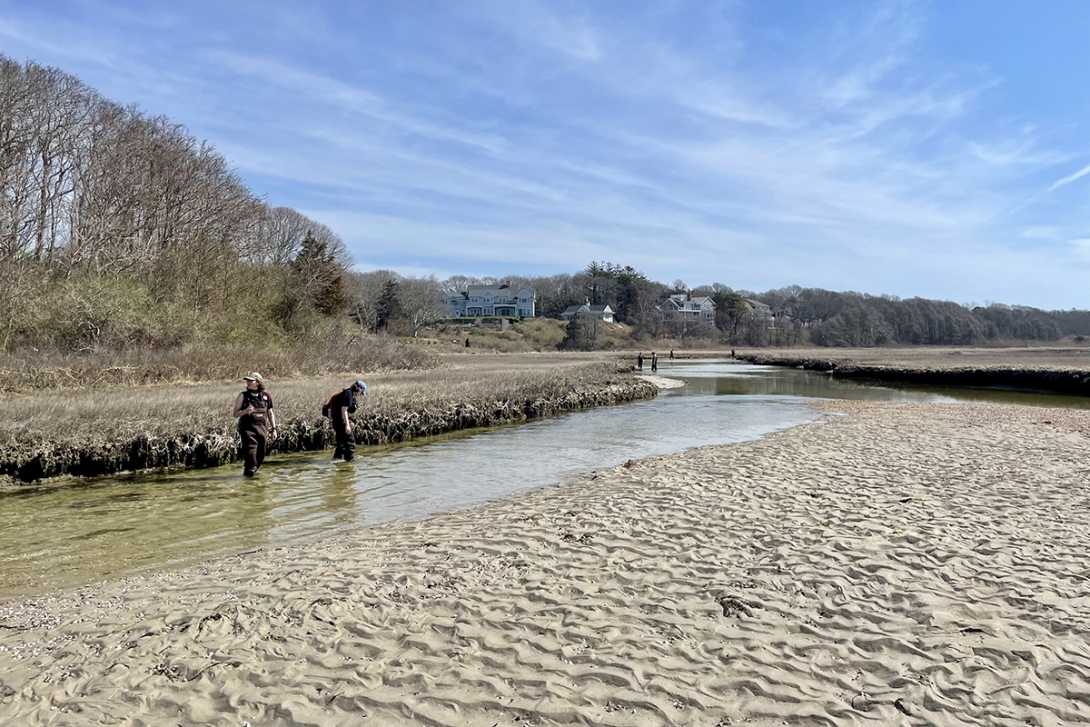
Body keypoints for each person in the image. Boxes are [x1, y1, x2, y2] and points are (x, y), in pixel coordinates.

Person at [233, 372, 276, 477]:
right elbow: (235, 413)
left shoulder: (266, 397)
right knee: (251, 455)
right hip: (248, 431)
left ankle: (249, 477)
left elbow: (270, 412)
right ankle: (249, 477)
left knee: (261, 455)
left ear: (258, 382)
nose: (247, 382)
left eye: (250, 380)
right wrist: (245, 411)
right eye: (247, 380)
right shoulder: (243, 396)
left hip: (262, 430)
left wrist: (274, 429)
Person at [331, 380, 367, 461]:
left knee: (341, 444)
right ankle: (349, 463)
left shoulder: (349, 394)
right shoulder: (348, 394)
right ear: (359, 389)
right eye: (361, 393)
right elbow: (344, 410)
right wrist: (347, 425)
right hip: (340, 422)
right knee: (350, 443)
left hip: (337, 421)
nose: (360, 395)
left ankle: (337, 461)